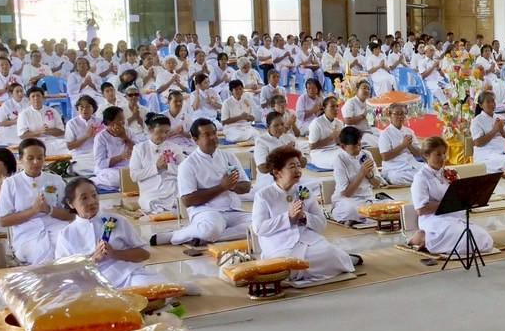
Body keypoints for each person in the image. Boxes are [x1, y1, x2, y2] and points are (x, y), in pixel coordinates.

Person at [251, 145, 357, 286]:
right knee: (289, 264)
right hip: (279, 245)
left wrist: (304, 217)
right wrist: (287, 217)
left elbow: (321, 223)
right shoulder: (264, 195)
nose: (298, 170)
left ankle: (341, 258)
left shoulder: (304, 191)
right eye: (292, 166)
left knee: (331, 254)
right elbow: (259, 228)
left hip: (307, 240)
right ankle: (341, 260)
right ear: (277, 172)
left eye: (299, 166)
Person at [55, 178, 175, 291]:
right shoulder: (66, 235)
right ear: (70, 203)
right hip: (91, 285)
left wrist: (115, 254)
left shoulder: (117, 220)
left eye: (94, 195)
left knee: (154, 287)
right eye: (84, 198)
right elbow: (63, 274)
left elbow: (144, 254)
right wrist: (93, 260)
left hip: (127, 275)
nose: (92, 201)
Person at [168, 118, 251, 248]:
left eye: (214, 133)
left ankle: (203, 238)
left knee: (258, 225)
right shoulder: (187, 165)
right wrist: (222, 187)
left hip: (233, 210)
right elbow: (187, 200)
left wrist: (234, 186)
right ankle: (176, 235)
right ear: (195, 139)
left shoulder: (229, 156)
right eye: (207, 135)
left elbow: (246, 186)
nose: (213, 137)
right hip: (207, 212)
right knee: (211, 230)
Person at [410, 136, 494, 256]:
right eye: (438, 154)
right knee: (464, 239)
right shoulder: (421, 177)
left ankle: (427, 240)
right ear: (426, 155)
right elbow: (421, 209)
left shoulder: (450, 173)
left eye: (444, 153)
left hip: (454, 217)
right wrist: (449, 202)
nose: (443, 158)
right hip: (434, 219)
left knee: (484, 239)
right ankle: (423, 238)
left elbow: (461, 196)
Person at [0, 138, 73, 263]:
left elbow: (71, 214)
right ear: (21, 159)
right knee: (44, 254)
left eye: (40, 158)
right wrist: (33, 210)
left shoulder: (55, 180)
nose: (36, 162)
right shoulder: (11, 184)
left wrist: (49, 209)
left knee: (70, 246)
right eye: (30, 158)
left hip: (57, 227)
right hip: (27, 234)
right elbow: (3, 221)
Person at [129, 114, 185, 214]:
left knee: (184, 197)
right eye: (160, 132)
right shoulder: (139, 149)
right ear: (150, 129)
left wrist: (168, 167)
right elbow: (134, 176)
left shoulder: (175, 147)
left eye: (167, 132)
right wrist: (156, 167)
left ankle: (174, 211)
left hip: (172, 187)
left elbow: (184, 170)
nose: (163, 135)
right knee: (148, 202)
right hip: (151, 190)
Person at [329, 126, 383, 226]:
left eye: (359, 145)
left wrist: (370, 175)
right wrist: (362, 173)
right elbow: (347, 193)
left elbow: (377, 184)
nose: (358, 149)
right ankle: (360, 218)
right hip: (347, 200)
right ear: (343, 147)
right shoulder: (340, 160)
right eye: (354, 147)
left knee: (391, 206)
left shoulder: (367, 154)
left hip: (368, 199)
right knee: (351, 209)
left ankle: (357, 219)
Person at [470, 91, 505, 173]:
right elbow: (478, 143)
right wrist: (494, 130)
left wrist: (501, 131)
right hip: (485, 155)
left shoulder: (500, 118)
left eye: (493, 101)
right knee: (503, 164)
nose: (492, 104)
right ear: (480, 105)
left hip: (502, 152)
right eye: (488, 102)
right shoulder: (476, 121)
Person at [376, 103, 421, 185]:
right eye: (397, 114)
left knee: (429, 171)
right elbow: (385, 157)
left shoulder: (409, 131)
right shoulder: (385, 134)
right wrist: (403, 145)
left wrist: (409, 145)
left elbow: (418, 154)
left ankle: (418, 181)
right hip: (394, 168)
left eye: (402, 114)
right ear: (390, 115)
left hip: (411, 165)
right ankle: (419, 182)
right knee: (395, 178)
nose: (400, 117)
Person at [91, 106, 134, 192]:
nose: (123, 122)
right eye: (120, 120)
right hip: (109, 170)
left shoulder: (128, 132)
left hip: (129, 167)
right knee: (118, 179)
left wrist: (125, 138)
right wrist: (121, 157)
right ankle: (93, 181)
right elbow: (100, 163)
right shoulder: (101, 137)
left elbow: (138, 151)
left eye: (123, 119)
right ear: (110, 122)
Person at [16, 85, 68, 155]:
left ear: (43, 98)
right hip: (34, 143)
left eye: (38, 96)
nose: (36, 98)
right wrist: (39, 132)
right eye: (33, 96)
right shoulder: (24, 114)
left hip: (53, 141)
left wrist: (48, 131)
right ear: (29, 99)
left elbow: (61, 131)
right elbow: (22, 135)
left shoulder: (52, 111)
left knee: (68, 146)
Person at [65, 95, 102, 176]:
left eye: (88, 107)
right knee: (80, 167)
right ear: (77, 109)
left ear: (94, 109)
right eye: (81, 107)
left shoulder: (99, 122)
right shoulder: (71, 123)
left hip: (97, 153)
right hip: (80, 156)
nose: (84, 110)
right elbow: (69, 146)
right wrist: (86, 136)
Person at [304, 95, 344, 171]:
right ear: (324, 108)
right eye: (332, 106)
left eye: (337, 106)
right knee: (340, 160)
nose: (336, 109)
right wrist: (330, 138)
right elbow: (312, 147)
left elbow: (339, 143)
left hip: (335, 149)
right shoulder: (316, 123)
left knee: (352, 156)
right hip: (320, 152)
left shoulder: (339, 123)